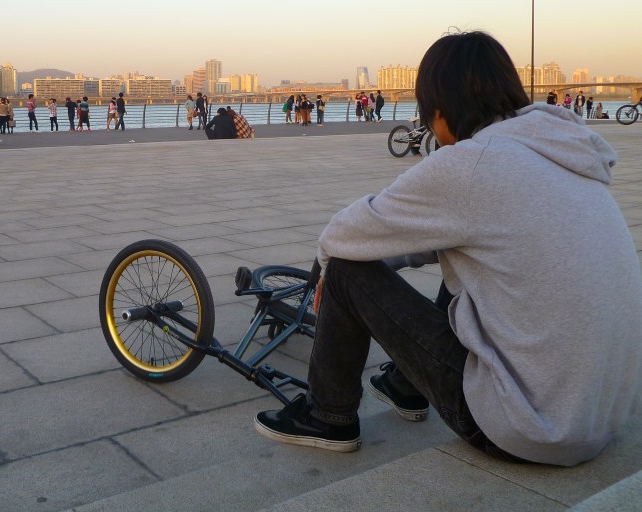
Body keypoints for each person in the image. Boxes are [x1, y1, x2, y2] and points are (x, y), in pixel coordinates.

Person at [254, 30, 642, 466]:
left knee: (346, 269)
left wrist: (332, 275)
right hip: (602, 416)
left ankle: (326, 416)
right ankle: (404, 385)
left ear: (439, 112)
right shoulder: (560, 149)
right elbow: (433, 238)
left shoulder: (471, 163)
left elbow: (343, 234)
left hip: (530, 427)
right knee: (461, 254)